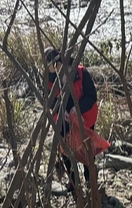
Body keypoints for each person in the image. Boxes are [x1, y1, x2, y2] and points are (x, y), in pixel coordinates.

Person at [45, 47, 107, 191]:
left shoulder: (80, 72)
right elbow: (49, 100)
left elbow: (92, 95)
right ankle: (73, 182)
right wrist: (61, 110)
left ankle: (89, 178)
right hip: (63, 119)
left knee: (86, 148)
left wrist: (78, 108)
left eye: (51, 65)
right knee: (65, 149)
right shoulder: (49, 78)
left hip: (83, 117)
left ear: (59, 63)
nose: (50, 69)